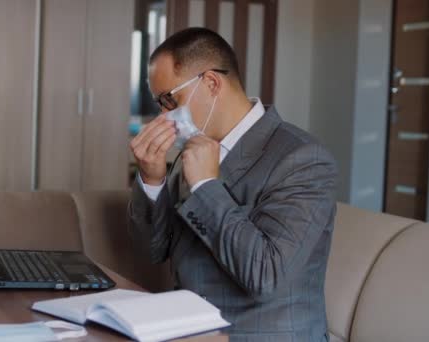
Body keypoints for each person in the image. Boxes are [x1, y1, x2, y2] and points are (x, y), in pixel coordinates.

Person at [128, 27, 338, 341]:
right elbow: (154, 250)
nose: (163, 115)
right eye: (159, 103)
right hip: (187, 329)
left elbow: (266, 276)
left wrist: (205, 187)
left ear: (211, 83)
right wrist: (152, 179)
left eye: (170, 99)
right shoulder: (193, 148)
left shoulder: (303, 159)